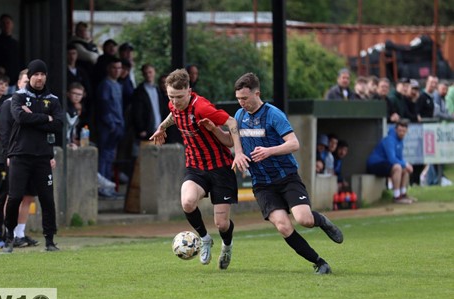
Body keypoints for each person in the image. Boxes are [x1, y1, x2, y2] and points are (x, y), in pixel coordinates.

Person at [202, 72, 343, 274]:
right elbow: (230, 141)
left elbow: (294, 143)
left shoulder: (273, 114)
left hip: (286, 177)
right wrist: (213, 130)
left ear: (256, 93)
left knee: (304, 219)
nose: (241, 103)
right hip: (262, 184)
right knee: (283, 226)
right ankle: (319, 262)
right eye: (238, 99)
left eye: (245, 98)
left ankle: (322, 221)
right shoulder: (240, 117)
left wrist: (269, 151)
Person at [149, 68, 250, 270]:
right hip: (195, 166)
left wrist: (238, 152)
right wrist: (162, 127)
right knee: (187, 202)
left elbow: (231, 121)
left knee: (222, 224)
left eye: (179, 96)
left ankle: (227, 245)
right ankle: (204, 239)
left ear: (189, 90)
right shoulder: (174, 103)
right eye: (171, 96)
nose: (175, 101)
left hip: (220, 167)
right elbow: (173, 114)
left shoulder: (202, 107)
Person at [3, 59, 64, 253]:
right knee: (14, 197)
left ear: (46, 76)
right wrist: (46, 117)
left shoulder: (53, 99)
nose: (39, 78)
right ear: (29, 76)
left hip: (43, 157)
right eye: (36, 74)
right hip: (20, 155)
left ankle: (50, 240)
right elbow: (20, 117)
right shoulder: (19, 97)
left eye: (42, 74)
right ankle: (9, 237)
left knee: (47, 199)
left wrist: (35, 118)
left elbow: (59, 123)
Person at [0, 69, 40, 249]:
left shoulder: (38, 104)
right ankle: (4, 234)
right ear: (19, 83)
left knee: (27, 196)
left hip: (30, 158)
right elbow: (3, 132)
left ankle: (19, 234)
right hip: (10, 157)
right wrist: (10, 154)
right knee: (9, 196)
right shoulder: (9, 104)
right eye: (26, 80)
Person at [96, 57, 125, 198]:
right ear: (109, 69)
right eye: (114, 68)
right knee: (104, 157)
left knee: (110, 157)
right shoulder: (105, 85)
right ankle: (102, 188)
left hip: (118, 125)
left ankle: (109, 187)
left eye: (119, 68)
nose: (117, 71)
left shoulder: (118, 85)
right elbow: (104, 106)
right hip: (108, 127)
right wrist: (112, 124)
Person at [366, 120, 414, 204]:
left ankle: (403, 194)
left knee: (404, 169)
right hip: (375, 164)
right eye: (400, 131)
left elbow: (399, 158)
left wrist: (406, 165)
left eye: (404, 131)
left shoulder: (400, 141)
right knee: (397, 167)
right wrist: (405, 164)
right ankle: (396, 196)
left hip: (385, 164)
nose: (402, 133)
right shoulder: (389, 140)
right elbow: (392, 159)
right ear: (396, 130)